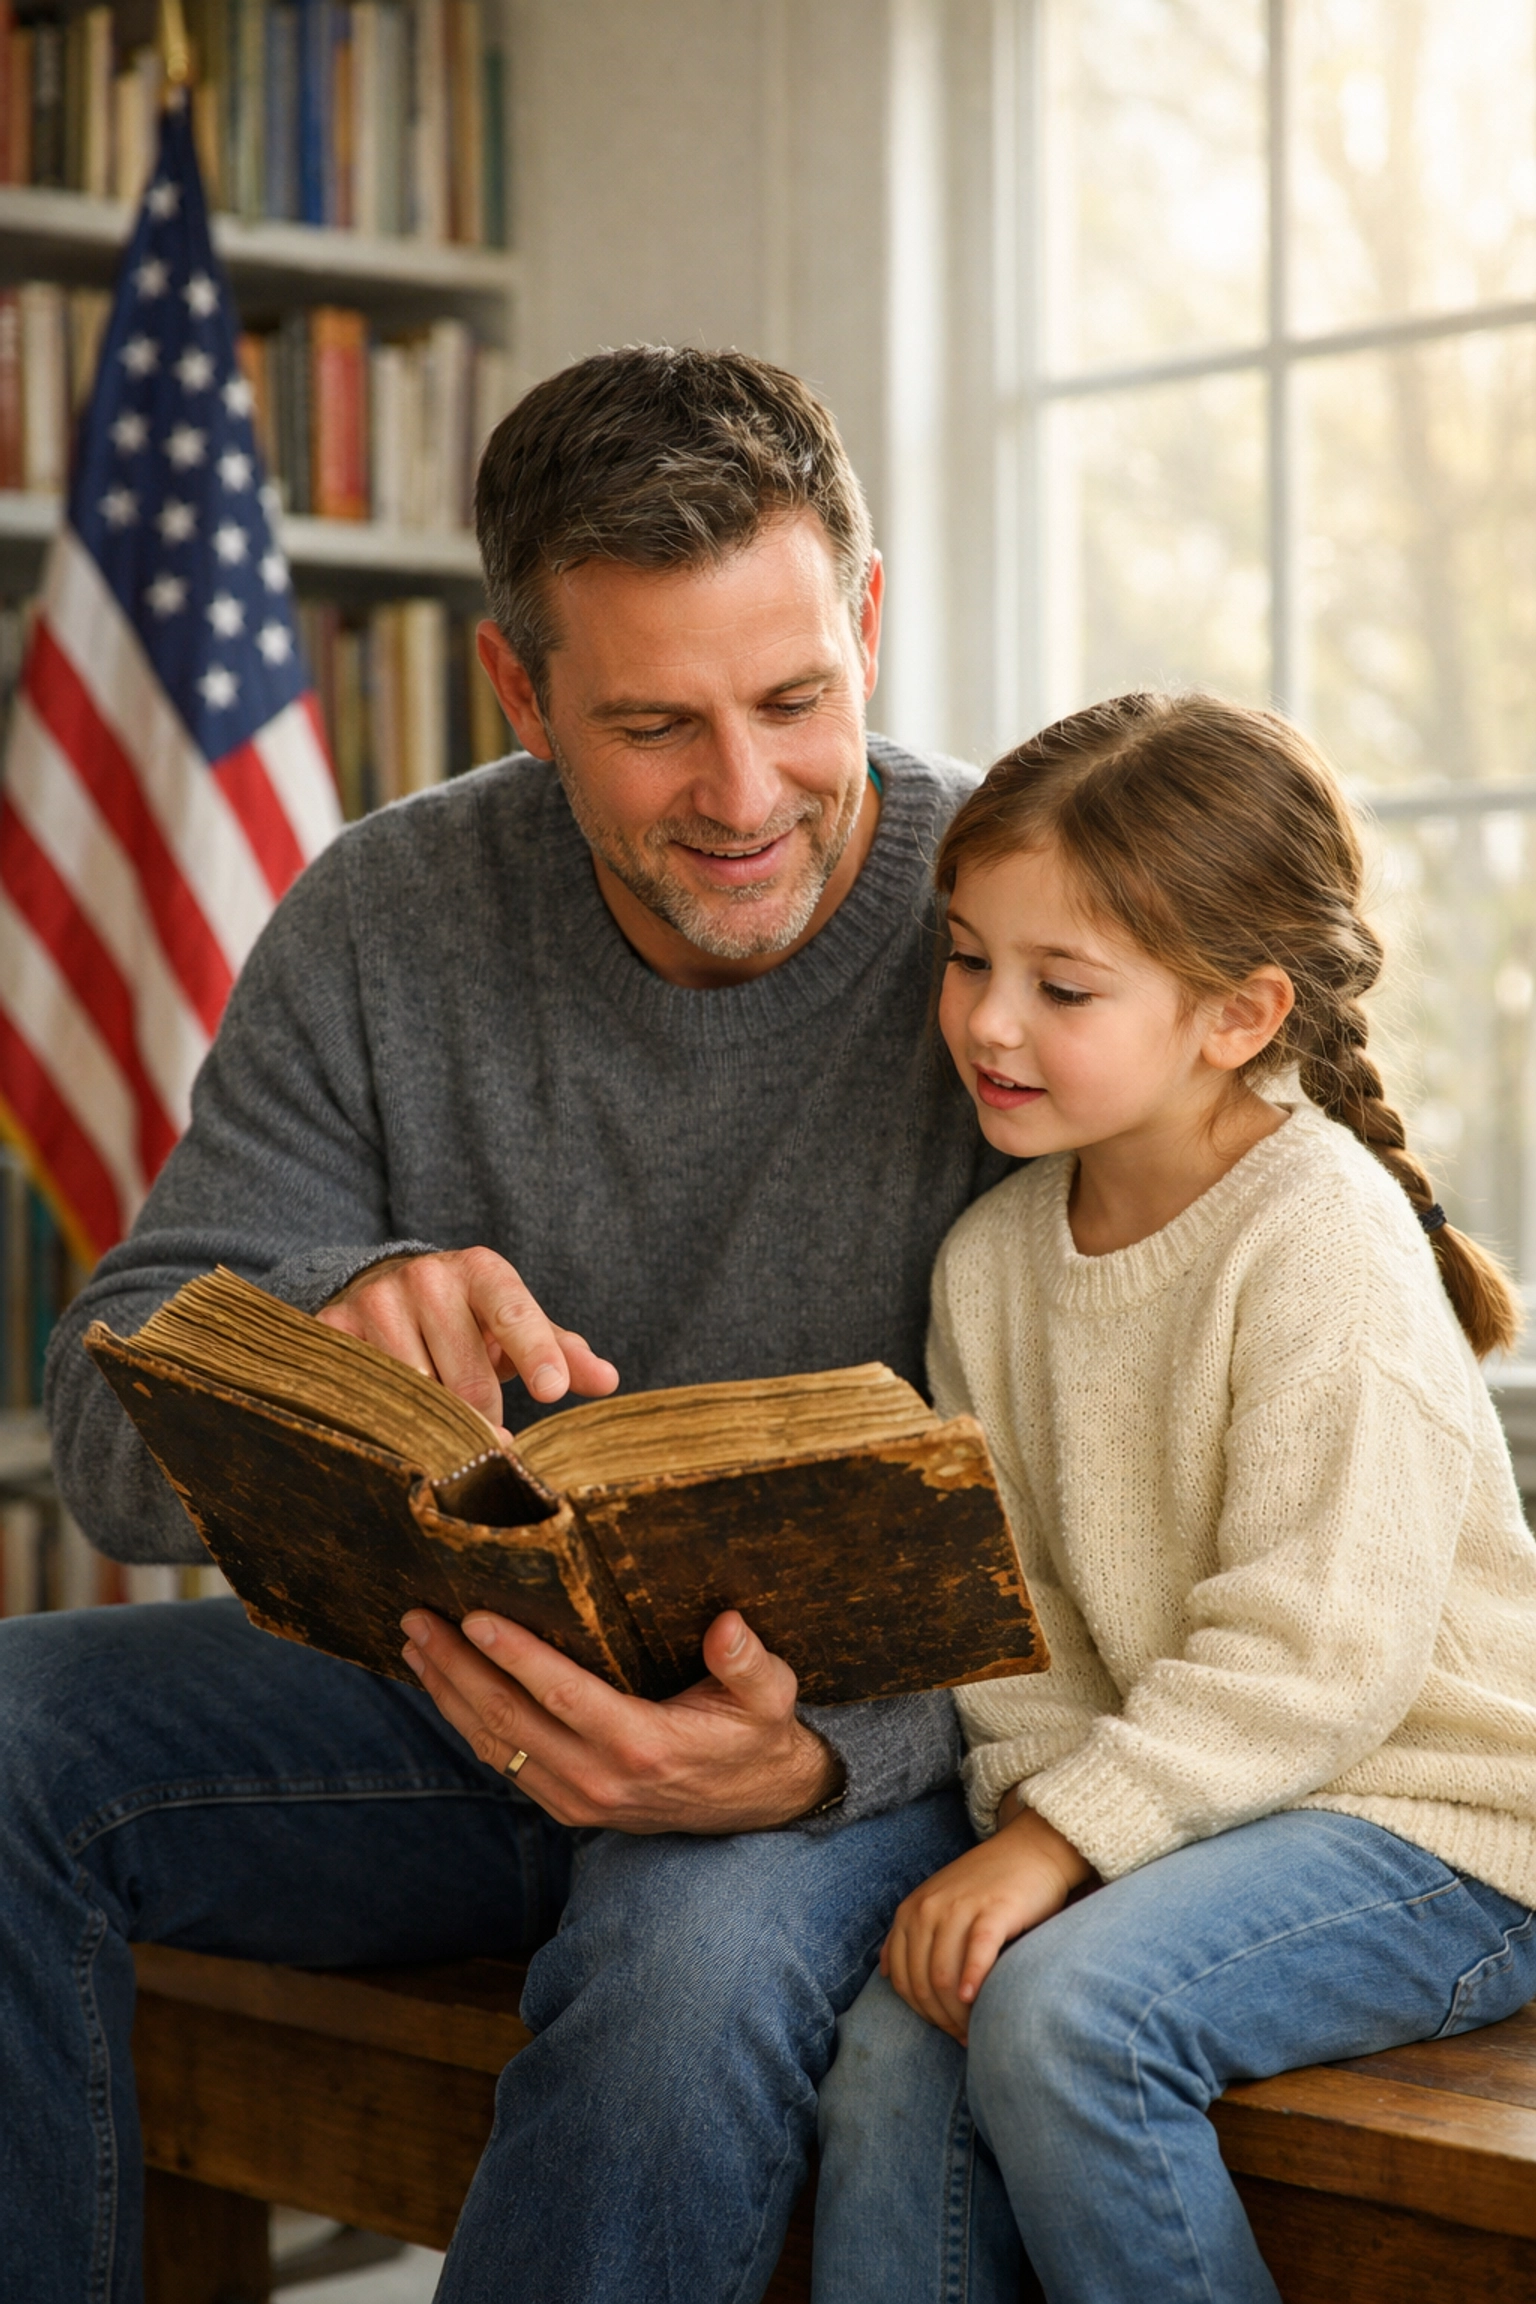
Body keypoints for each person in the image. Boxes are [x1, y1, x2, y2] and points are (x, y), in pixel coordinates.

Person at [0, 346, 1010, 2304]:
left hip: (835, 1766)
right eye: (653, 725)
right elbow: (107, 1430)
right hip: (451, 1708)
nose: (745, 797)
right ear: (521, 694)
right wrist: (322, 1320)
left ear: (869, 622)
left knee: (678, 1988)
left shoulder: (1022, 931)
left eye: (795, 700)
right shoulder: (387, 915)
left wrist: (818, 1766)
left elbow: (1163, 1526)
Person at [812, 691, 1536, 2304]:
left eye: (1061, 986)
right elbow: (1013, 1623)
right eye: (968, 960)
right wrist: (1056, 1829)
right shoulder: (992, 1263)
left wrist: (1063, 1844)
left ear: (1238, 1013)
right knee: (897, 2043)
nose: (991, 1023)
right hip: (1202, 1815)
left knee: (1076, 2014)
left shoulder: (1319, 1237)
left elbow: (1320, 1656)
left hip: (1436, 1829)